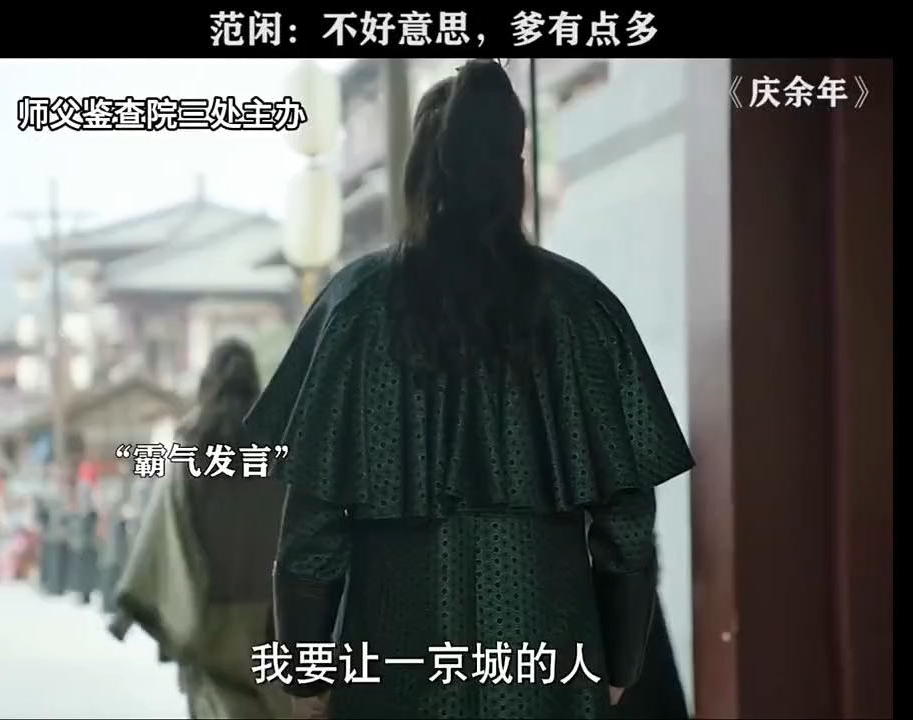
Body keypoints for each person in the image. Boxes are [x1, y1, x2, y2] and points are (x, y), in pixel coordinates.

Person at [245, 60, 695, 720]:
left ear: (417, 175)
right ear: (514, 171)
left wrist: (304, 672)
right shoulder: (583, 309)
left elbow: (312, 529)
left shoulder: (356, 307)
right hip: (549, 659)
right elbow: (626, 524)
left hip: (395, 659)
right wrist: (621, 661)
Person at [110, 338, 290, 719]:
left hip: (211, 626)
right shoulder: (281, 452)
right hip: (276, 623)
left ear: (207, 385)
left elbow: (162, 534)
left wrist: (130, 608)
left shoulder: (190, 454)